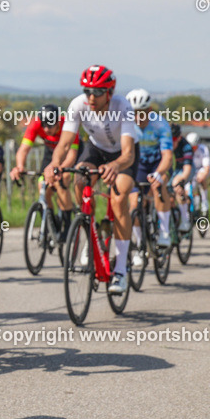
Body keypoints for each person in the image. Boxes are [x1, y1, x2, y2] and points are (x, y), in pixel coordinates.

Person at [45, 65, 137, 294]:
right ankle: (90, 230)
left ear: (110, 92)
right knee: (80, 180)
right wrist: (54, 164)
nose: (91, 97)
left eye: (97, 92)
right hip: (95, 150)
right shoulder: (78, 105)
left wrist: (115, 165)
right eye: (87, 91)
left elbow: (128, 153)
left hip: (122, 156)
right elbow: (64, 144)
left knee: (118, 200)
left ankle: (121, 271)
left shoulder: (123, 106)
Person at [10, 103, 79, 234]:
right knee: (42, 184)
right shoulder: (35, 124)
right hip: (50, 154)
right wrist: (19, 166)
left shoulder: (68, 125)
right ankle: (51, 222)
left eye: (50, 125)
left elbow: (72, 155)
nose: (46, 129)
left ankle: (67, 226)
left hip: (68, 154)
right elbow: (23, 150)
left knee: (62, 180)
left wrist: (60, 169)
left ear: (58, 121)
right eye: (44, 125)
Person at [126, 89, 174, 254]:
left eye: (142, 113)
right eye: (134, 113)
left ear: (150, 111)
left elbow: (167, 156)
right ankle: (140, 244)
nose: (137, 117)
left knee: (158, 186)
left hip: (158, 163)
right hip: (138, 165)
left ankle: (165, 232)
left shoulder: (160, 124)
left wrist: (159, 173)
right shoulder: (127, 125)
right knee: (134, 203)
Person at [168, 124, 194, 233]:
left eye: (174, 139)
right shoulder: (165, 143)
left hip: (185, 168)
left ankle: (184, 220)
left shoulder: (186, 146)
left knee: (177, 185)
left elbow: (187, 168)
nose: (171, 142)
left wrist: (181, 180)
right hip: (172, 168)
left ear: (179, 138)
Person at [186, 132, 210, 217]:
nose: (192, 148)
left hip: (201, 168)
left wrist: (202, 175)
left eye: (194, 146)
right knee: (188, 189)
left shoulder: (203, 149)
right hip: (191, 169)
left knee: (201, 177)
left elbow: (206, 167)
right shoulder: (186, 150)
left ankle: (204, 202)